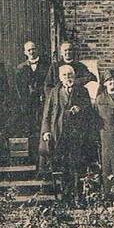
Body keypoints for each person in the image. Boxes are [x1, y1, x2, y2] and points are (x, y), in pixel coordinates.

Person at [40, 64, 95, 204]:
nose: (68, 78)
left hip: (76, 134)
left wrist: (80, 108)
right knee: (63, 166)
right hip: (59, 133)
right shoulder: (54, 92)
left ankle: (78, 197)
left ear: (74, 76)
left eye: (70, 75)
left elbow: (90, 110)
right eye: (64, 75)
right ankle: (65, 196)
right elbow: (47, 114)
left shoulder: (82, 91)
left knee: (76, 166)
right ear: (60, 77)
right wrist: (46, 131)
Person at [14, 40, 52, 166]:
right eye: (29, 50)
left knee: (44, 129)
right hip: (28, 106)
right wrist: (24, 103)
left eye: (33, 49)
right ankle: (31, 160)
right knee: (30, 131)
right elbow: (19, 89)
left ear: (37, 50)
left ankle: (44, 161)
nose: (31, 52)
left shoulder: (47, 66)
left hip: (43, 104)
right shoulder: (20, 68)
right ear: (25, 52)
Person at [93, 69, 114, 199]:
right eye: (109, 80)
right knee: (108, 164)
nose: (112, 82)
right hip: (105, 136)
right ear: (104, 83)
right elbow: (95, 118)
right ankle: (108, 194)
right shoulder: (100, 99)